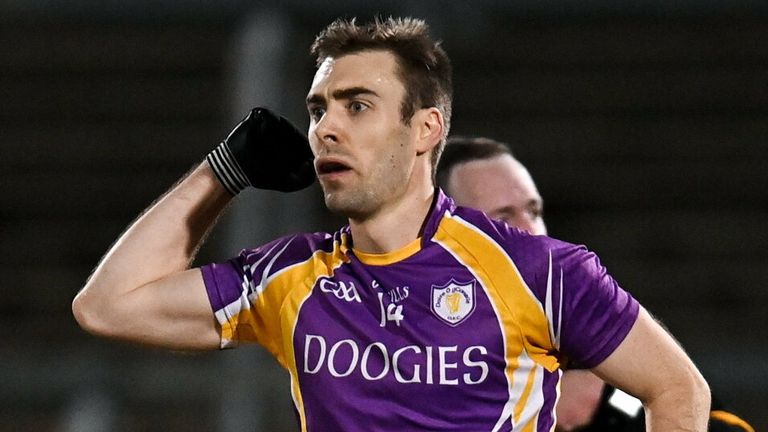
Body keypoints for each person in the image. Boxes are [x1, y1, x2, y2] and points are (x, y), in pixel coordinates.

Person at [72, 17, 711, 431]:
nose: (326, 127)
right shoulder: (291, 277)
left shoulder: (541, 272)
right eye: (319, 107)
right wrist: (224, 169)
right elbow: (107, 307)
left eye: (358, 106)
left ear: (425, 129)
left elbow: (677, 391)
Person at [436, 136, 755, 432]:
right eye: (503, 218)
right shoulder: (405, 339)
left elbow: (725, 424)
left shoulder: (590, 324)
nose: (531, 232)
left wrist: (612, 403)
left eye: (534, 211)